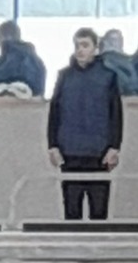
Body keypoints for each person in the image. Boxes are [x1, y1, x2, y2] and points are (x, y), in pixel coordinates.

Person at [48, 26, 123, 221]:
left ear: (96, 49)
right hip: (70, 153)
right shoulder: (64, 76)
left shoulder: (108, 77)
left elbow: (116, 114)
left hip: (99, 153)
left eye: (85, 45)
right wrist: (53, 145)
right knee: (71, 213)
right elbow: (54, 113)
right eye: (77, 45)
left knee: (99, 213)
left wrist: (114, 147)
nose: (80, 50)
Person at [0, 19, 46, 97]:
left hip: (7, 103)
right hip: (33, 103)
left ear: (4, 37)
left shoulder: (6, 62)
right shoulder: (37, 61)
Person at [99, 27, 138, 96]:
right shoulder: (105, 61)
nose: (118, 42)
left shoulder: (127, 60)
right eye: (113, 40)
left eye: (120, 39)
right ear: (105, 42)